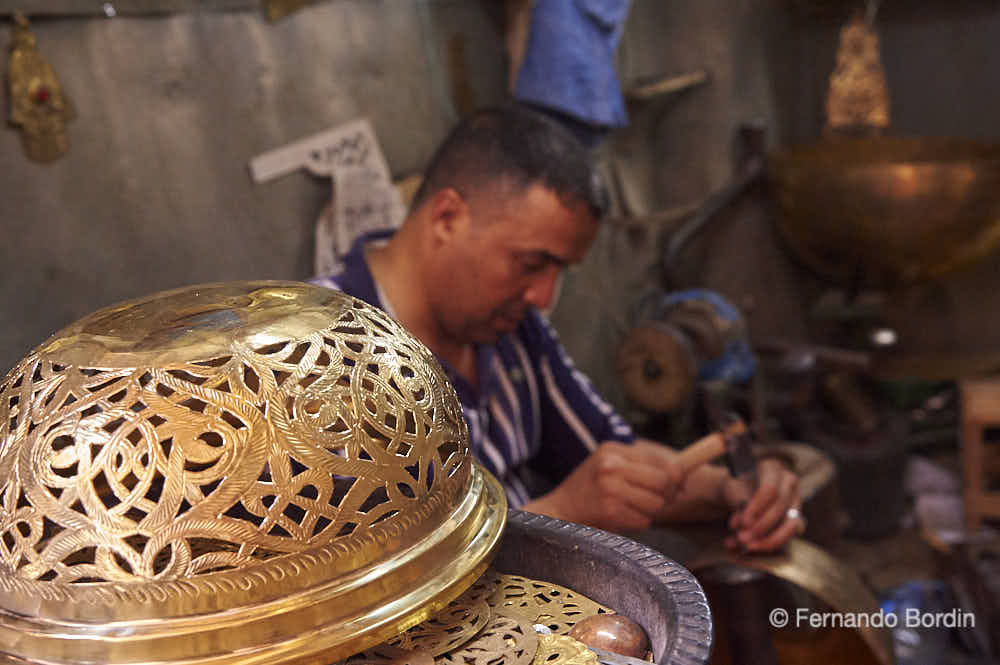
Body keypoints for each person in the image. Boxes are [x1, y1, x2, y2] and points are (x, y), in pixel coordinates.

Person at [311, 103, 802, 552]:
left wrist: (731, 489)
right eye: (530, 263)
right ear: (447, 217)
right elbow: (362, 582)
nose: (543, 297)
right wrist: (563, 512)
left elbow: (618, 464)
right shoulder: (315, 358)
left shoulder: (508, 328)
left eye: (559, 271)